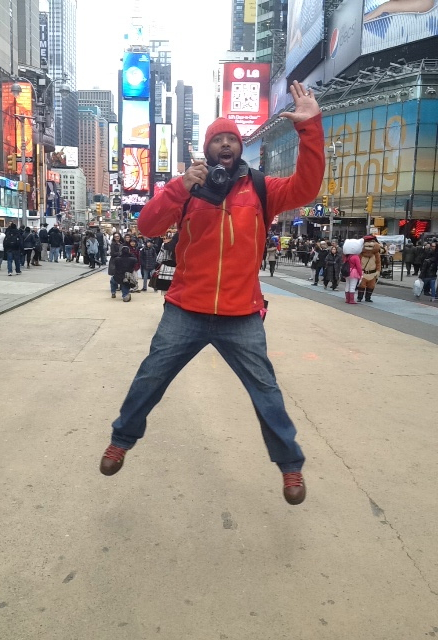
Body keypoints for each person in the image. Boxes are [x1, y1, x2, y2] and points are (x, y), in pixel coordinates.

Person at [99, 81, 325, 506]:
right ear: (208, 149)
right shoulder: (188, 188)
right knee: (150, 377)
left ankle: (290, 467)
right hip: (186, 308)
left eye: (232, 140)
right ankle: (121, 440)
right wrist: (178, 188)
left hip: (240, 314)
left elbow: (307, 187)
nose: (226, 144)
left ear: (239, 149)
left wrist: (310, 127)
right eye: (217, 139)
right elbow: (146, 226)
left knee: (266, 391)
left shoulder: (261, 189)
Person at [342, 238, 364, 304]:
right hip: (354, 272)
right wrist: (361, 274)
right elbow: (358, 266)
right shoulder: (356, 257)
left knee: (347, 285)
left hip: (347, 272)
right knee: (352, 286)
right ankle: (351, 300)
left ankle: (347, 299)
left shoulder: (346, 256)